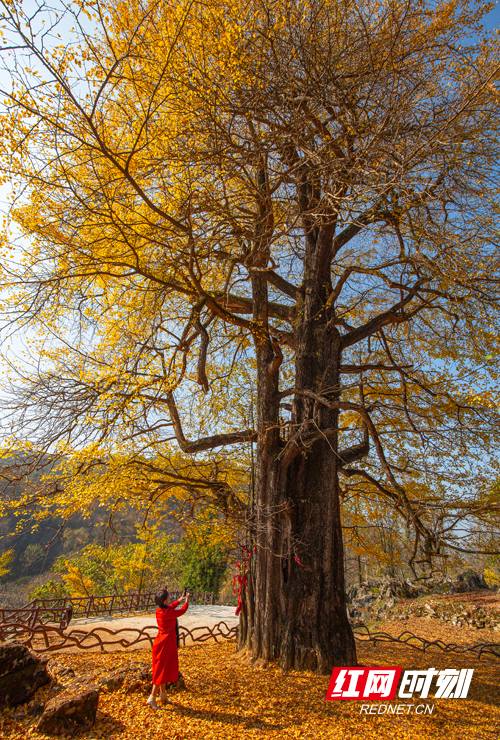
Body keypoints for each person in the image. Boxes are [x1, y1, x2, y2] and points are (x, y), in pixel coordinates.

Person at [147, 588, 190, 709]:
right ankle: (152, 697)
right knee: (161, 669)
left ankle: (163, 694)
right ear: (165, 601)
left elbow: (171, 606)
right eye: (168, 597)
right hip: (165, 642)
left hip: (162, 640)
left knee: (163, 667)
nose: (170, 597)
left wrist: (180, 600)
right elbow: (181, 611)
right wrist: (186, 601)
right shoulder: (167, 613)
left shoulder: (160, 610)